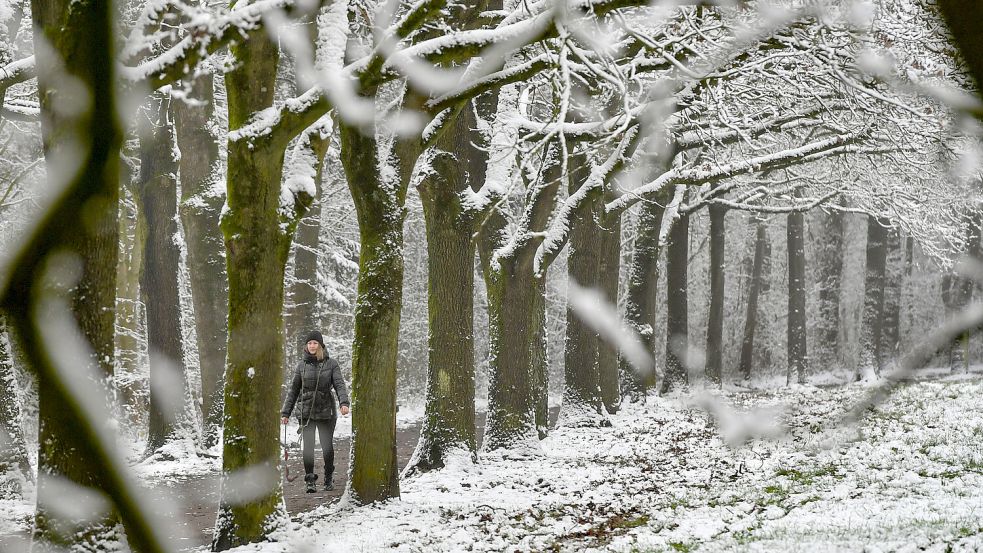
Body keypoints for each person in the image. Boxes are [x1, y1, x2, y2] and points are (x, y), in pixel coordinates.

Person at [280, 330, 350, 493]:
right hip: (306, 412)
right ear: (306, 345)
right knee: (308, 447)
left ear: (320, 345)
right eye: (309, 343)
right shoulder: (301, 366)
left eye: (315, 343)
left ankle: (327, 477)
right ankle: (310, 480)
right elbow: (293, 391)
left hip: (326, 410)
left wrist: (344, 402)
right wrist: (286, 413)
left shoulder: (331, 364)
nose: (312, 346)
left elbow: (339, 384)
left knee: (327, 446)